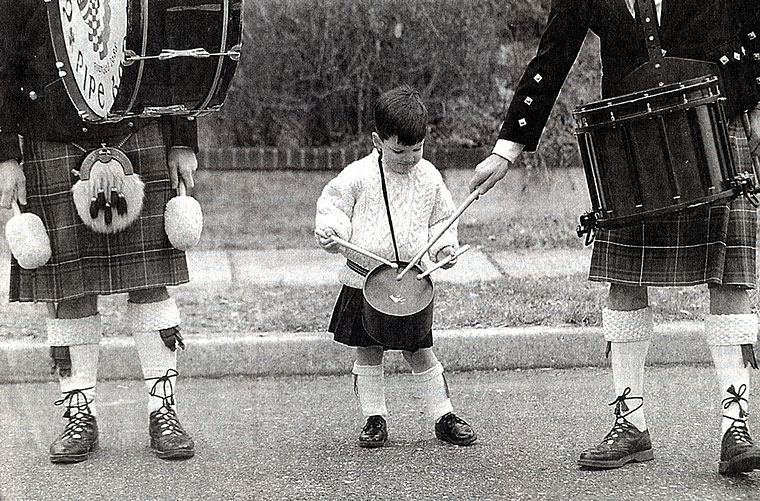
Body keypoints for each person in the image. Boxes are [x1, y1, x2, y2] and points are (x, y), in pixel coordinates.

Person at [469, 0, 760, 475]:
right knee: (625, 280)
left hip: (716, 124)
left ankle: (736, 427)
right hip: (630, 132)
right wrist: (509, 148)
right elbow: (553, 53)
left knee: (731, 278)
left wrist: (757, 105)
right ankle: (631, 424)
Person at [0, 2, 196, 462]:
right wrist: (5, 153)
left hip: (138, 125)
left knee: (150, 280)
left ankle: (163, 410)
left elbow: (175, 52)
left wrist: (183, 136)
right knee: (69, 289)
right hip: (51, 132)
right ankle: (78, 414)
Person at [315, 85, 477, 448]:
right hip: (365, 281)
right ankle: (375, 418)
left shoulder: (430, 177)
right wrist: (332, 231)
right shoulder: (357, 176)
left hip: (411, 284)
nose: (408, 159)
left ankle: (443, 414)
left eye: (416, 150)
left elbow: (442, 221)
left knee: (420, 349)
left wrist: (444, 250)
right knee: (367, 350)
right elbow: (334, 208)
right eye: (398, 151)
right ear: (377, 141)